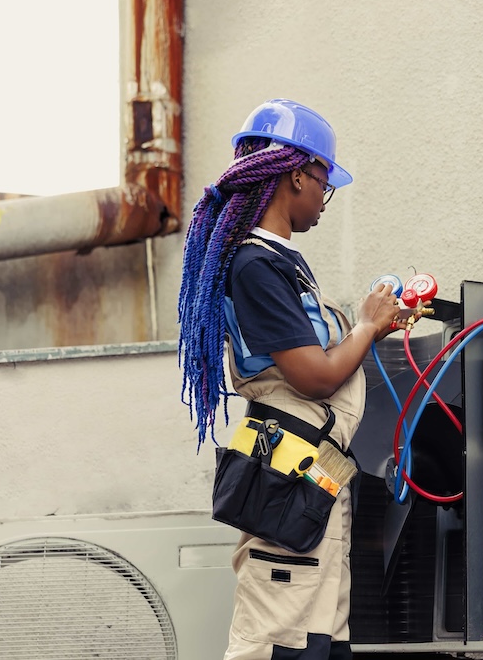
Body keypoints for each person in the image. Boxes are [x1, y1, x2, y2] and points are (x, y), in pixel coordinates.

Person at [178, 99, 411, 660]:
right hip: (293, 471)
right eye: (324, 183)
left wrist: (371, 331)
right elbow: (313, 378)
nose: (325, 200)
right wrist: (364, 325)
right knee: (277, 643)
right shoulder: (255, 264)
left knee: (320, 642)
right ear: (295, 173)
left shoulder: (282, 262)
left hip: (317, 470)